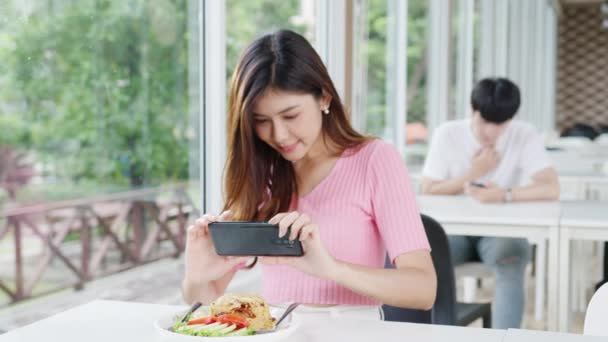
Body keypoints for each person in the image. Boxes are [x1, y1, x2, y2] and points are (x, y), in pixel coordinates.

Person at [182, 30, 436, 321]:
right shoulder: (262, 173)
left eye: (290, 116)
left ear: (324, 98)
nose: (278, 134)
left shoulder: (375, 160)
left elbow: (423, 290)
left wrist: (331, 268)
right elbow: (204, 302)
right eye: (261, 121)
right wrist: (197, 276)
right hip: (276, 330)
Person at [420, 77, 560, 329]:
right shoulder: (448, 134)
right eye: (485, 122)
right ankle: (435, 333)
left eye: (501, 124)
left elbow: (551, 187)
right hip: (454, 233)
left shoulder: (523, 134)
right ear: (472, 111)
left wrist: (505, 194)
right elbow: (428, 188)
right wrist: (475, 171)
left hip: (501, 233)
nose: (491, 132)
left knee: (511, 256)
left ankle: (505, 336)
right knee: (426, 256)